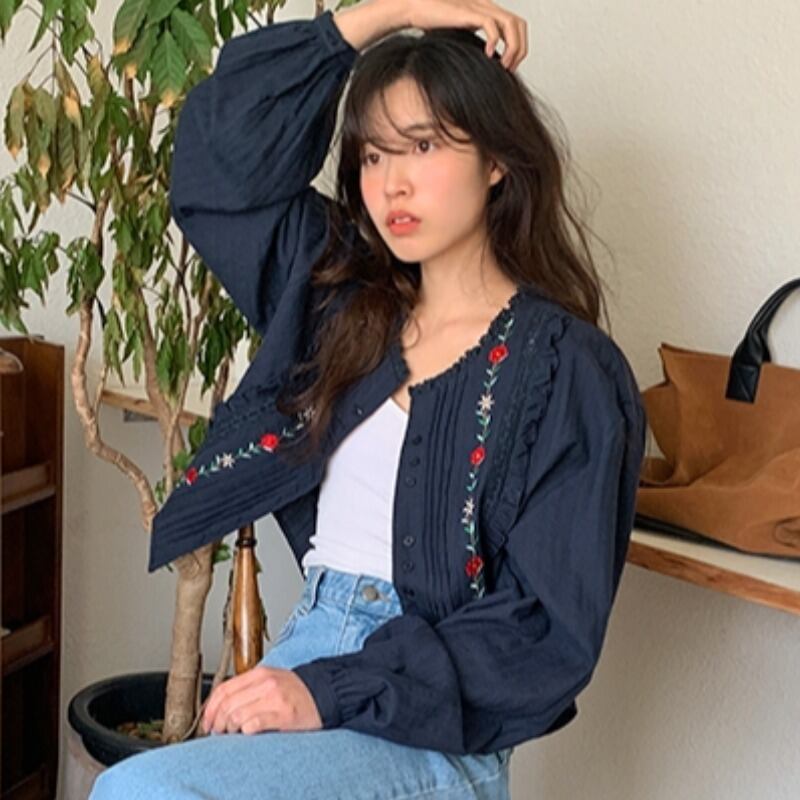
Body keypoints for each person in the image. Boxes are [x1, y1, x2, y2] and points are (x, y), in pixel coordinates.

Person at [90, 1, 647, 798]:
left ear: (497, 159)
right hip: (305, 651)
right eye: (373, 155)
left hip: (433, 726)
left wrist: (329, 690)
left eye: (423, 145)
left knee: (139, 791)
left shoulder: (568, 370)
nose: (393, 183)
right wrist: (392, 14)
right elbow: (216, 169)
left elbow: (546, 630)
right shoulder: (342, 301)